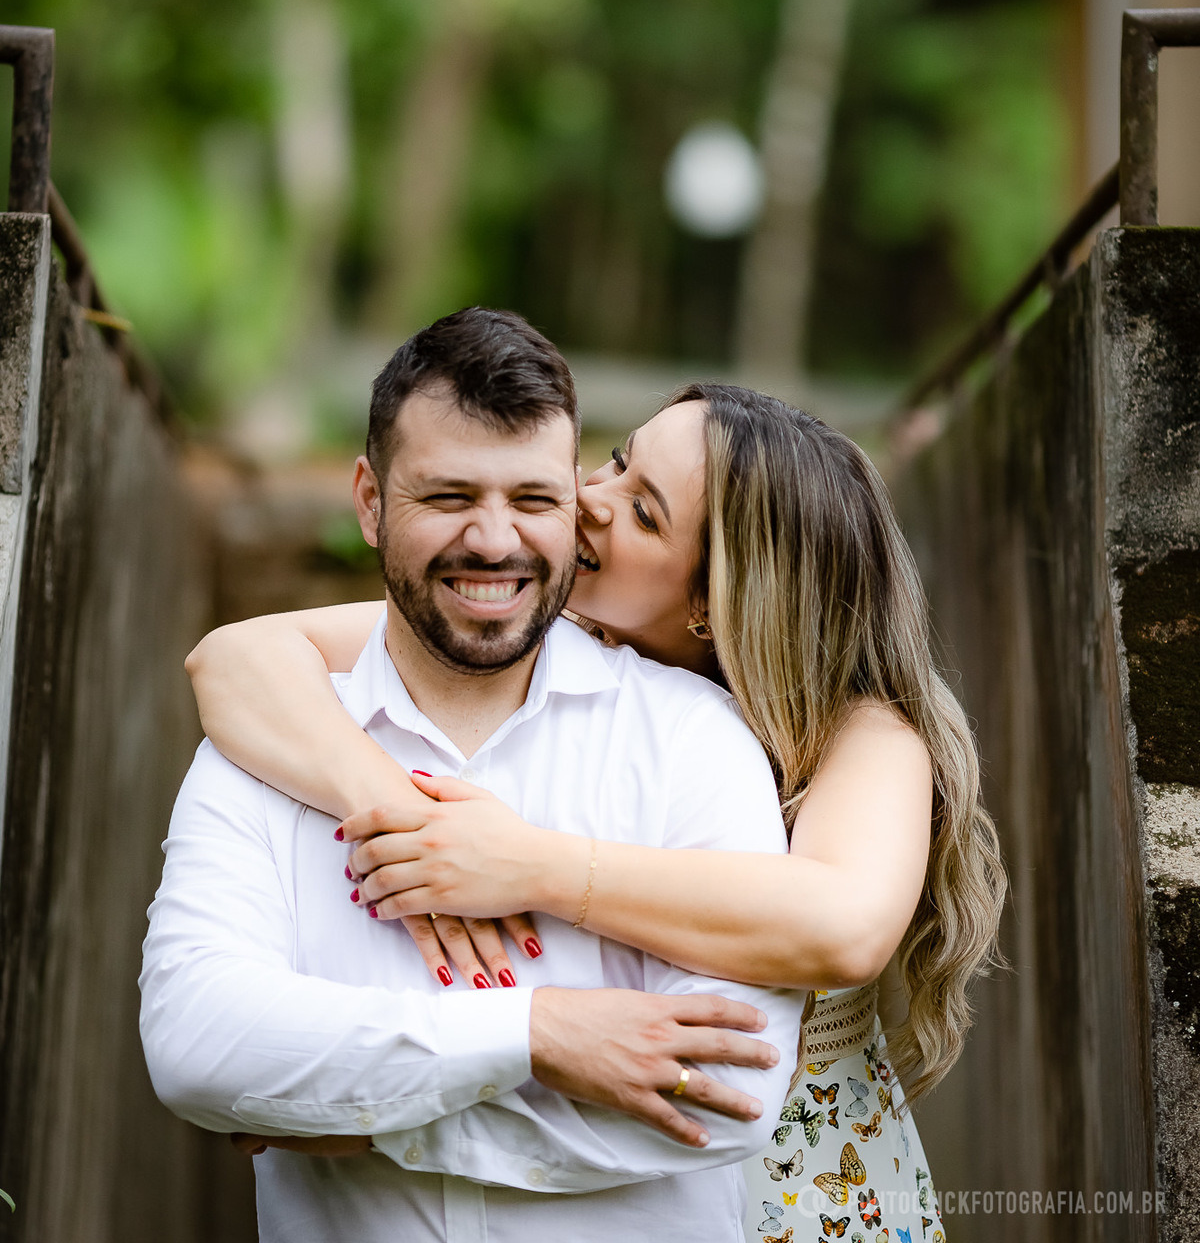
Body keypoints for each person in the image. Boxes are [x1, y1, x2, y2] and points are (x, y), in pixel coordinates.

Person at [187, 312, 1007, 1243]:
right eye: (617, 461)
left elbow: (843, 927)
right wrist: (389, 804)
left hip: (799, 1193)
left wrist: (526, 872)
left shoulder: (860, 732)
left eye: (644, 508)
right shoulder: (555, 637)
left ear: (713, 599)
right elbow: (237, 660)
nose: (588, 498)